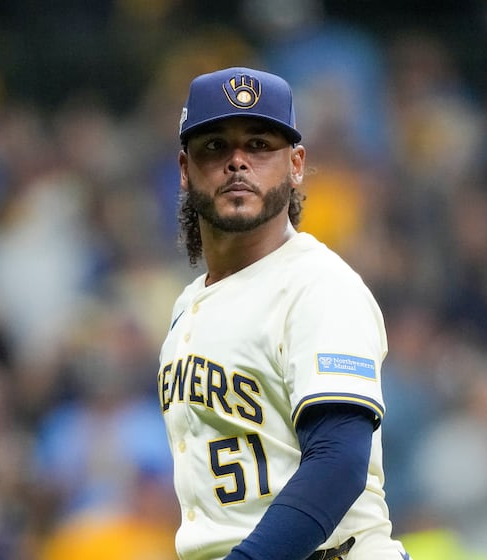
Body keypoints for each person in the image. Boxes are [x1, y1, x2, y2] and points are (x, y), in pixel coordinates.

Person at [156, 66, 410, 560]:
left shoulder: (318, 285)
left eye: (259, 145)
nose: (237, 163)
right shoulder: (188, 305)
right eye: (215, 147)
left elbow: (338, 462)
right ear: (185, 170)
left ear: (296, 165)